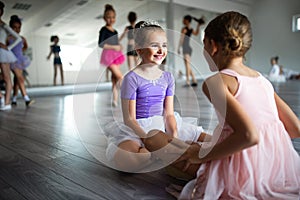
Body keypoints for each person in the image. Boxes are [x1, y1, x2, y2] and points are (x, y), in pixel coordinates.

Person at [173, 11, 300, 199]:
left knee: (169, 149)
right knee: (195, 145)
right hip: (277, 170)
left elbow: (249, 135)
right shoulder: (262, 80)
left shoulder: (216, 82)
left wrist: (199, 154)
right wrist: (264, 154)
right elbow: (295, 128)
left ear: (213, 46)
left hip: (241, 173)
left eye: (204, 44)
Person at [104, 20, 210, 172]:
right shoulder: (131, 78)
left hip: (163, 125)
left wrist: (173, 138)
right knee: (126, 161)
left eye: (164, 45)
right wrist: (148, 140)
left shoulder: (167, 77)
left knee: (206, 137)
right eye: (154, 45)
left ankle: (171, 151)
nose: (161, 50)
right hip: (138, 129)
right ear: (139, 49)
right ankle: (158, 155)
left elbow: (169, 114)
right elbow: (130, 119)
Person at [98, 4, 125, 107]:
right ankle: (132, 98)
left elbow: (116, 43)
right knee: (120, 77)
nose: (111, 19)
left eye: (113, 17)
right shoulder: (103, 30)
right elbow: (101, 44)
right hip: (108, 56)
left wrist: (119, 46)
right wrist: (114, 47)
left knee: (114, 79)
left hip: (116, 56)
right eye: (109, 17)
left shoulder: (115, 31)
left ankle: (115, 100)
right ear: (105, 18)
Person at [0, 1, 22, 111]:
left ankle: (7, 102)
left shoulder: (3, 25)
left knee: (7, 77)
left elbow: (19, 38)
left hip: (3, 53)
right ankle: (2, 96)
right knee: (4, 77)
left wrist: (8, 47)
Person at [7, 15, 34, 107]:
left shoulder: (22, 38)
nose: (16, 29)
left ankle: (14, 99)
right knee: (21, 78)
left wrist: (21, 52)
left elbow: (25, 46)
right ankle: (26, 99)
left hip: (20, 60)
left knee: (17, 80)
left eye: (18, 28)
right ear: (10, 27)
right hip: (12, 60)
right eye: (14, 27)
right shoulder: (8, 38)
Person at [177, 15, 205, 87]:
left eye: (184, 19)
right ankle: (194, 80)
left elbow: (181, 39)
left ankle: (188, 81)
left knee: (187, 65)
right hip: (188, 48)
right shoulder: (191, 29)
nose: (183, 21)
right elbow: (196, 33)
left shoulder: (184, 29)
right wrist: (198, 25)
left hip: (186, 48)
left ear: (187, 20)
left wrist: (178, 48)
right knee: (188, 65)